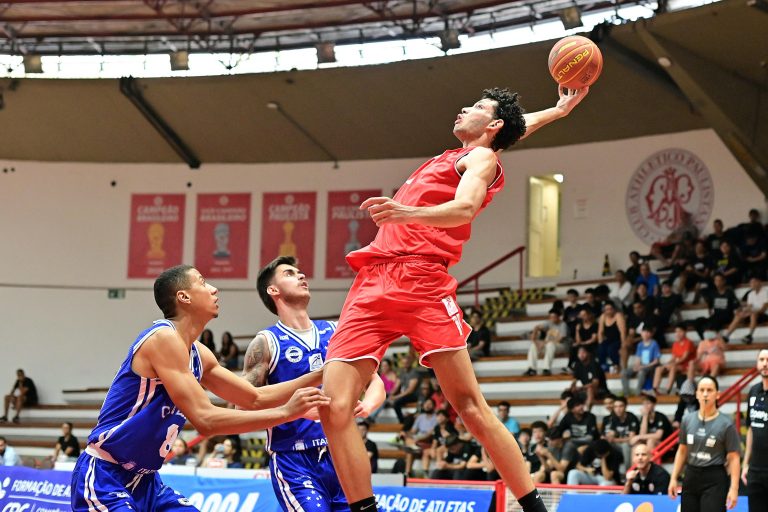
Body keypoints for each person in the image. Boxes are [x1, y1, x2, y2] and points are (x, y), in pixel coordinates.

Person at [320, 85, 589, 512]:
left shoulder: (482, 158)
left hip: (422, 280)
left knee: (469, 406)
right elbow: (516, 125)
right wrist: (558, 110)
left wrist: (406, 213)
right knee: (334, 407)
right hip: (372, 281)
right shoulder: (457, 154)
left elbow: (464, 208)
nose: (464, 107)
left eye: (477, 106)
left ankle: (535, 509)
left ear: (492, 125)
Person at [70, 265, 330, 512]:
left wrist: (322, 373)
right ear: (183, 297)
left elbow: (253, 397)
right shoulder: (163, 338)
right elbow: (206, 419)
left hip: (147, 481)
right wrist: (287, 412)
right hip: (105, 475)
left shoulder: (199, 353)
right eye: (203, 283)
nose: (214, 289)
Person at [244, 256, 384, 512]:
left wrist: (367, 406)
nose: (300, 275)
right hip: (294, 460)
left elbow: (375, 380)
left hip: (341, 452)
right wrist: (294, 410)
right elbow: (243, 404)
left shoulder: (336, 331)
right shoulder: (266, 342)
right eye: (289, 273)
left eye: (299, 272)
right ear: (273, 290)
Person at [668, 376, 741, 512]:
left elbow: (734, 457)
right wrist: (673, 478)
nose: (705, 394)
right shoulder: (687, 420)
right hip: (691, 476)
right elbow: (682, 451)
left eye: (709, 390)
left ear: (717, 394)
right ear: (696, 394)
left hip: (714, 478)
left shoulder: (726, 423)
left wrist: (734, 488)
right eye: (701, 390)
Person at [742, 349, 768, 512]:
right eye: (761, 359)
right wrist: (746, 464)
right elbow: (751, 429)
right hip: (755, 471)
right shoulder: (753, 392)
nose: (765, 363)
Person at [724, 276, 768, 344]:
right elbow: (749, 307)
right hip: (752, 314)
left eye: (754, 282)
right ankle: (726, 336)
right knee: (739, 315)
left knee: (753, 314)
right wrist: (743, 312)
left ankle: (750, 335)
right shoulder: (750, 294)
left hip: (763, 315)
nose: (752, 284)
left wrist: (751, 312)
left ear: (759, 282)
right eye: (751, 283)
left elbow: (763, 309)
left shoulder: (765, 292)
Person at [653, 325, 695, 395]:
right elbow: (673, 358)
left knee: (673, 367)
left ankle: (667, 390)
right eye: (676, 332)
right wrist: (667, 364)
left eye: (680, 331)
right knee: (659, 368)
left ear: (685, 332)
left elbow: (684, 358)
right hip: (676, 364)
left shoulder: (688, 343)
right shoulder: (675, 344)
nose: (678, 333)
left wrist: (673, 364)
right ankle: (655, 389)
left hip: (686, 365)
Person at [620, 325, 661, 397]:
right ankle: (626, 394)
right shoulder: (640, 345)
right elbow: (638, 359)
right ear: (641, 333)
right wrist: (636, 366)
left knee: (641, 372)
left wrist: (643, 367)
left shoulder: (654, 344)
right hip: (642, 365)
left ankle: (638, 392)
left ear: (651, 334)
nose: (645, 334)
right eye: (644, 332)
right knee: (624, 372)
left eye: (648, 332)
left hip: (650, 366)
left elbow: (656, 361)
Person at [525, 309, 567, 376]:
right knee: (533, 345)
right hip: (548, 345)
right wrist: (534, 340)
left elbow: (560, 339)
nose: (552, 319)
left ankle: (546, 369)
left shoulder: (563, 324)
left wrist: (544, 343)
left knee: (550, 345)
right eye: (551, 317)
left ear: (559, 317)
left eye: (554, 317)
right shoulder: (549, 323)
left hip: (560, 346)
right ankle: (532, 369)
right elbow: (536, 327)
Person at [602, 396, 640, 468]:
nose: (618, 409)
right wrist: (609, 437)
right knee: (604, 444)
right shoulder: (613, 418)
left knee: (625, 445)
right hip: (618, 445)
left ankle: (628, 471)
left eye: (620, 406)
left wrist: (616, 440)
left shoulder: (631, 417)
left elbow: (631, 438)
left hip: (630, 445)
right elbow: (611, 435)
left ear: (626, 406)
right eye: (615, 407)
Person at [570, 346, 607, 410]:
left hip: (600, 390)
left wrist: (582, 387)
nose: (581, 355)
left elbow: (595, 384)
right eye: (579, 353)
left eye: (583, 352)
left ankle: (587, 411)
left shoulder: (594, 364)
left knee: (590, 389)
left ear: (588, 353)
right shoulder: (577, 365)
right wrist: (572, 387)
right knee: (568, 392)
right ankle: (572, 412)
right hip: (585, 389)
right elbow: (574, 380)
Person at [597, 301, 626, 373]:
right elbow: (600, 332)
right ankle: (603, 365)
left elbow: (623, 332)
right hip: (609, 340)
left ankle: (617, 365)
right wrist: (600, 343)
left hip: (618, 339)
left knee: (611, 349)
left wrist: (623, 344)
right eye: (607, 309)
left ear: (614, 309)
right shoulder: (603, 317)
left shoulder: (618, 316)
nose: (609, 311)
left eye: (610, 309)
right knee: (600, 348)